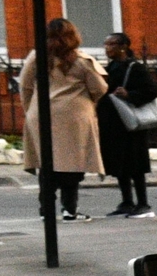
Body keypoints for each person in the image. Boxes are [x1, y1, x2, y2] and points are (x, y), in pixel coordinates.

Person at [19, 18, 107, 222]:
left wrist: (30, 109)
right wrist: (86, 101)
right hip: (74, 115)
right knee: (72, 163)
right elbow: (100, 88)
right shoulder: (82, 60)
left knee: (47, 163)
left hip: (41, 114)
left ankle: (46, 210)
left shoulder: (36, 57)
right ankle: (69, 209)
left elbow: (25, 86)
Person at [96, 30, 157, 218]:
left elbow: (151, 91)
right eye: (106, 45)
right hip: (113, 124)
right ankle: (127, 202)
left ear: (124, 46)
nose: (108, 48)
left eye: (112, 44)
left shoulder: (134, 67)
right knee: (119, 165)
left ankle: (143, 203)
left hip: (130, 125)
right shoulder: (110, 67)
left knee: (135, 165)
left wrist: (130, 95)